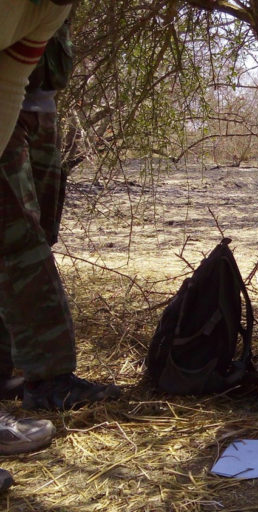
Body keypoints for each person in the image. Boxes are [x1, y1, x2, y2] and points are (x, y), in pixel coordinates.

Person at [0, 1, 119, 490]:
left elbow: (12, 79)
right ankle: (47, 379)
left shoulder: (48, 10)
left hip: (24, 105)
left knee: (28, 242)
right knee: (20, 247)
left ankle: (14, 371)